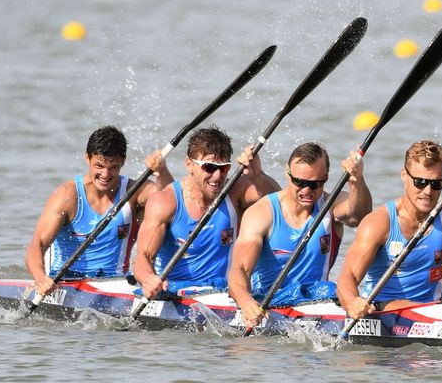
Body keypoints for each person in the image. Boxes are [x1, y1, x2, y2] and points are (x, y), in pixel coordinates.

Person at [337, 140, 442, 320]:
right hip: (379, 312)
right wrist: (352, 303)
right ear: (404, 176)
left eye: (437, 184)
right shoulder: (380, 223)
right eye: (420, 182)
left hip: (433, 312)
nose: (428, 191)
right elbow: (347, 276)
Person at [228, 142, 372, 328]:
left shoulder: (331, 204)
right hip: (268, 302)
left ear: (326, 178)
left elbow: (359, 215)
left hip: (318, 300)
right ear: (288, 172)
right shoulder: (262, 213)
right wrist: (246, 302)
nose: (306, 190)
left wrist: (356, 181)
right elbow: (238, 269)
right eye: (299, 182)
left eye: (314, 184)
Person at [25, 125, 173, 297]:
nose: (105, 174)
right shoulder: (67, 196)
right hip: (65, 282)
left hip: (115, 285)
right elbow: (37, 245)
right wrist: (40, 278)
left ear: (123, 161)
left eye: (113, 167)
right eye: (99, 166)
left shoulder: (135, 192)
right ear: (87, 158)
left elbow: (171, 202)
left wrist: (161, 172)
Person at [134, 125, 280, 298]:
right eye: (209, 167)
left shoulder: (236, 191)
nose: (217, 176)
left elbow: (278, 204)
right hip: (175, 291)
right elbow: (143, 257)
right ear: (189, 165)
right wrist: (148, 279)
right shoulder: (165, 201)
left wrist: (258, 175)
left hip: (223, 291)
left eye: (224, 168)